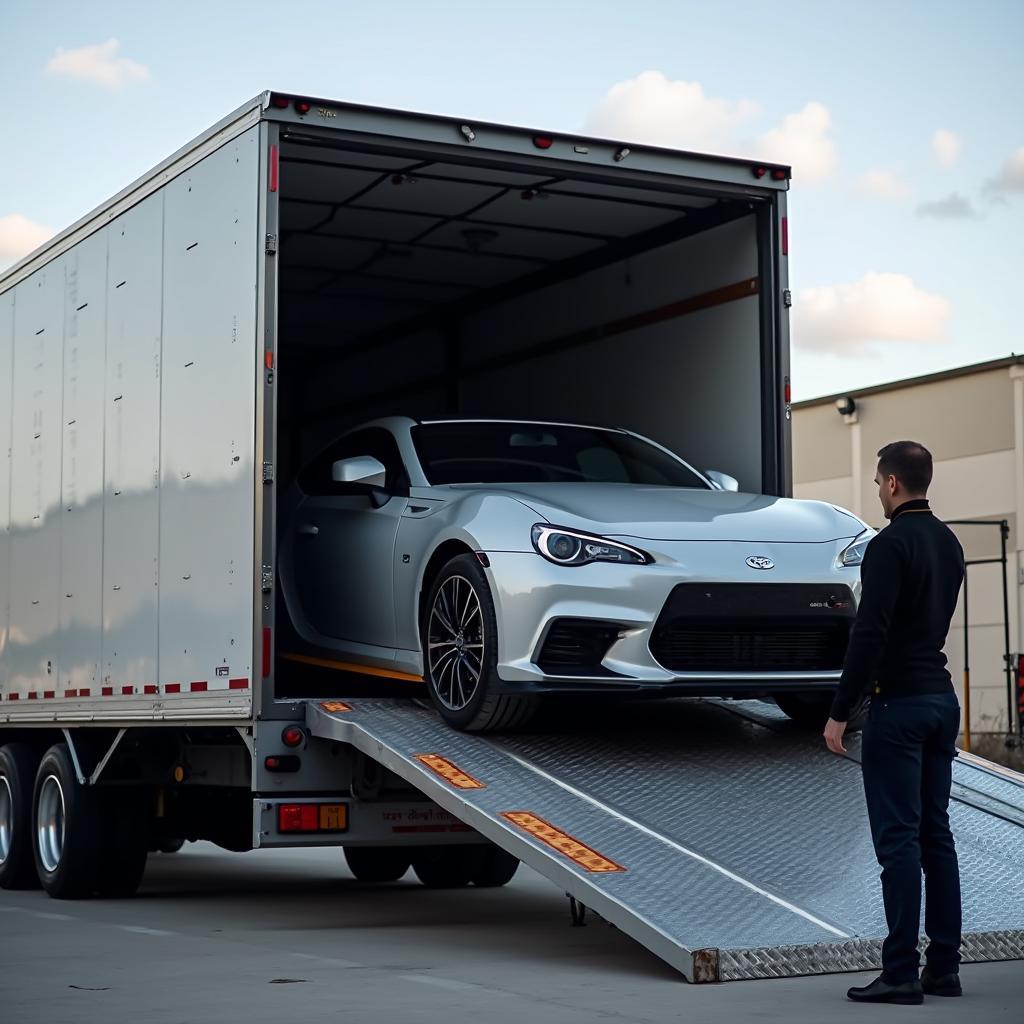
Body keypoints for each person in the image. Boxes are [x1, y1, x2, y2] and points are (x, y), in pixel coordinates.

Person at [823, 441, 965, 1005]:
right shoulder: (948, 542)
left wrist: (839, 710)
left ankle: (901, 970)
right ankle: (945, 968)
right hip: (940, 700)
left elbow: (870, 634)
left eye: (878, 484)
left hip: (898, 707)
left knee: (899, 840)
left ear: (890, 484)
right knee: (937, 836)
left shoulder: (887, 546)